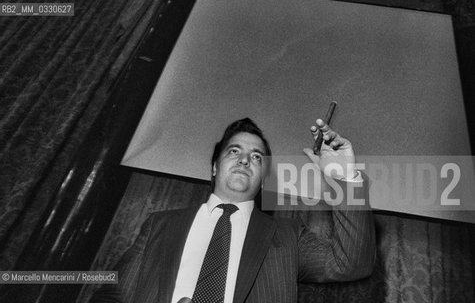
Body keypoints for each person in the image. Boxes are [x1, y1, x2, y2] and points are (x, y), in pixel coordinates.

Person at [91, 118, 375, 303]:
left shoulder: (287, 235)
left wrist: (343, 176)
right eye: (233, 152)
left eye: (256, 157)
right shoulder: (160, 224)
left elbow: (350, 264)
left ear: (264, 178)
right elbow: (113, 295)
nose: (244, 160)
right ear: (215, 167)